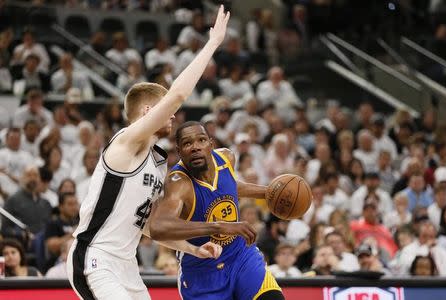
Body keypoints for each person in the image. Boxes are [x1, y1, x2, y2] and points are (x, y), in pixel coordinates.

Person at [66, 6, 230, 300]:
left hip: (127, 266)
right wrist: (213, 43)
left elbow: (148, 227)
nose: (172, 117)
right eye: (165, 109)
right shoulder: (126, 143)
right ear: (147, 111)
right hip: (96, 257)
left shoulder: (157, 163)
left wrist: (193, 248)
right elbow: (178, 95)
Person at [148, 121, 284, 300]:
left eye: (201, 140)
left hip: (240, 256)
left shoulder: (226, 158)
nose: (195, 147)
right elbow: (158, 227)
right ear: (179, 152)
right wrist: (219, 227)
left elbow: (229, 186)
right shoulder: (178, 183)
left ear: (211, 144)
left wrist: (268, 193)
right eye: (188, 143)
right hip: (202, 272)